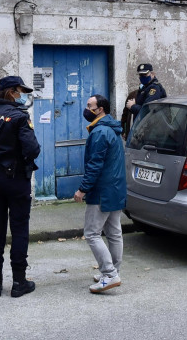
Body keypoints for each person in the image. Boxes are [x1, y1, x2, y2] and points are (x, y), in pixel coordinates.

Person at [0, 76, 40, 298]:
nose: (22, 95)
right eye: (20, 91)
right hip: (16, 179)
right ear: (12, 92)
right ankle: (19, 282)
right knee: (19, 229)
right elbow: (33, 149)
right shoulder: (19, 116)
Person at [73, 94, 126, 294]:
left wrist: (82, 189)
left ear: (100, 109)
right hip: (115, 188)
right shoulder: (111, 128)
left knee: (92, 233)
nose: (87, 109)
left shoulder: (100, 132)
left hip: (103, 190)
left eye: (90, 106)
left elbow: (94, 165)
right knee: (114, 233)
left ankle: (110, 274)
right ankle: (113, 272)